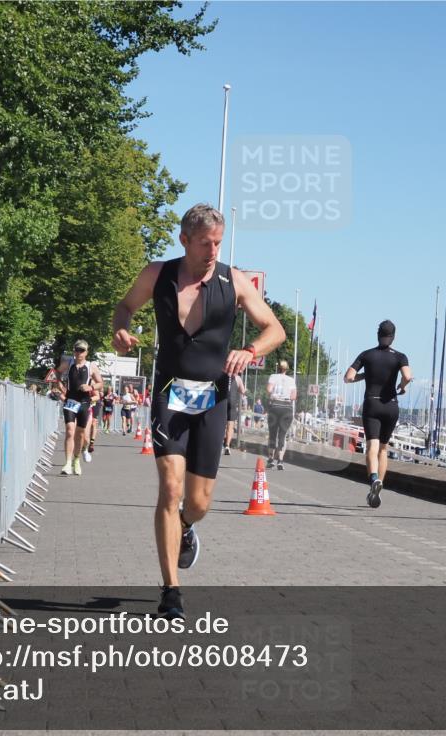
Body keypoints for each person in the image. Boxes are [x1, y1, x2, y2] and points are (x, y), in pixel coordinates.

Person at [112, 203, 285, 619]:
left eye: (218, 243)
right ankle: (171, 592)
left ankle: (187, 527)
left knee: (199, 502)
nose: (213, 250)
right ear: (184, 240)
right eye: (206, 243)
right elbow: (124, 307)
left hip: (213, 398)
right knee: (169, 490)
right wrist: (120, 328)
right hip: (169, 393)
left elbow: (274, 329)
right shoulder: (158, 274)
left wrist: (249, 350)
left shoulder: (233, 280)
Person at [344, 320, 413, 508]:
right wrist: (403, 386)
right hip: (391, 405)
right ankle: (378, 486)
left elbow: (348, 377)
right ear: (394, 336)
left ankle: (373, 478)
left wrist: (364, 375)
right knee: (384, 448)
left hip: (372, 403)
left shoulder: (367, 355)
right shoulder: (400, 356)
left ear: (377, 334)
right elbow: (408, 376)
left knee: (371, 447)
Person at [56, 340, 103, 476]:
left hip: (84, 403)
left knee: (80, 434)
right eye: (77, 350)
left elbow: (100, 383)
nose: (79, 353)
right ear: (74, 350)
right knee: (70, 431)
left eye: (82, 350)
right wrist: (60, 385)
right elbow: (57, 372)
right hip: (70, 401)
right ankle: (67, 463)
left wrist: (91, 387)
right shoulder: (68, 362)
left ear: (86, 352)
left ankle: (76, 459)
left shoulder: (91, 366)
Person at [265, 361, 297, 470]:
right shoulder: (291, 380)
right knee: (283, 435)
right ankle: (280, 461)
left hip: (275, 406)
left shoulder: (273, 376)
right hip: (287, 408)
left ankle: (270, 459)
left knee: (272, 433)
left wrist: (273, 395)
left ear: (278, 368)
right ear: (287, 369)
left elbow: (269, 389)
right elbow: (293, 396)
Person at [223, 373, 246, 456]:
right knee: (230, 425)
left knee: (221, 424)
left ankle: (219, 442)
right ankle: (227, 445)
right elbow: (242, 391)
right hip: (232, 403)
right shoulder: (237, 378)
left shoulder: (222, 374)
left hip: (222, 402)